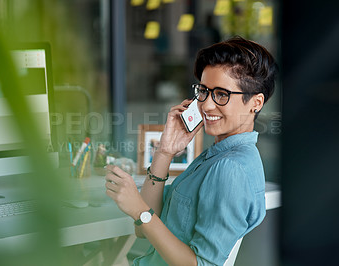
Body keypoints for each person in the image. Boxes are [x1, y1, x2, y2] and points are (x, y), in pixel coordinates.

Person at [105, 36, 278, 265]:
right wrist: (165, 152)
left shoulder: (229, 169)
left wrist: (139, 210)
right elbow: (143, 230)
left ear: (256, 103)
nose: (206, 104)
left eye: (222, 94)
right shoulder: (215, 156)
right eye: (204, 91)